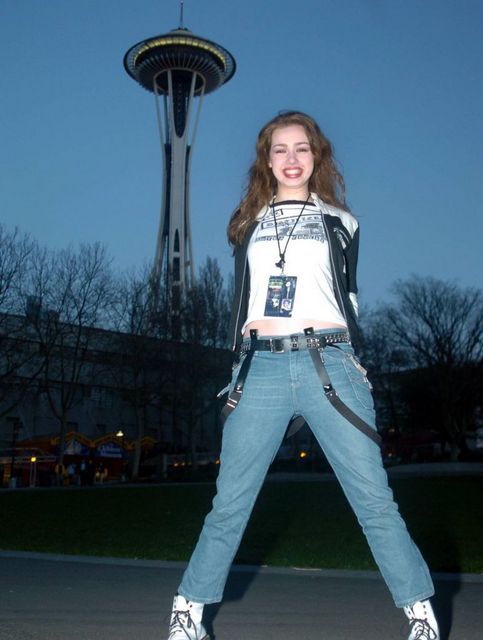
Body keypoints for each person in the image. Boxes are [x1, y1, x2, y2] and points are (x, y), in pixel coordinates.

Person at [166, 111, 439, 640]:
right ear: (267, 160)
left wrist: (354, 356)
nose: (291, 159)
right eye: (280, 149)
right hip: (261, 366)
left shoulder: (342, 222)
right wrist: (237, 360)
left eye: (301, 148)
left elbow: (348, 295)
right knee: (230, 501)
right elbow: (244, 296)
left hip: (328, 361)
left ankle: (420, 615)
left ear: (317, 156)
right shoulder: (246, 223)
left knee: (374, 499)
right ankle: (187, 611)